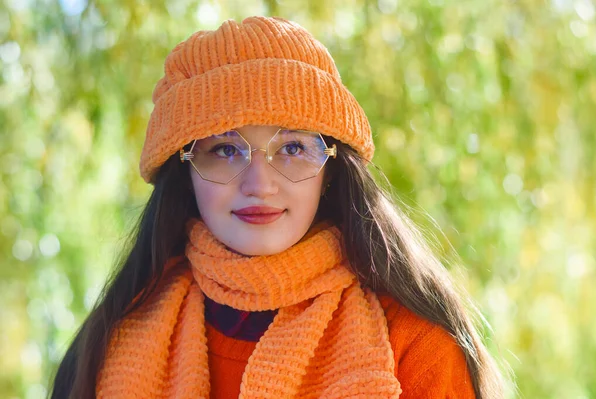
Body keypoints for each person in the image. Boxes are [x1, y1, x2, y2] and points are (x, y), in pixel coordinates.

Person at [50, 16, 504, 399]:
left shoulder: (414, 346)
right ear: (184, 173)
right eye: (226, 149)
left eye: (292, 147)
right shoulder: (112, 344)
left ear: (331, 170)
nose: (260, 184)